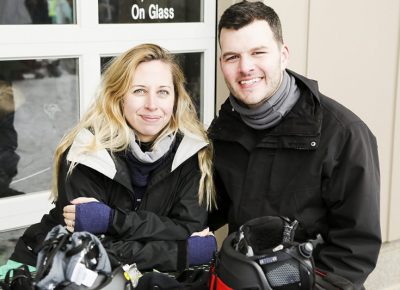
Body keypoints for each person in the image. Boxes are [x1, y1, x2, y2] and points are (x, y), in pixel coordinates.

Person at [1, 43, 216, 278]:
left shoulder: (190, 153)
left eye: (163, 91)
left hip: (132, 275)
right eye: (139, 91)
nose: (152, 105)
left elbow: (188, 228)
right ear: (118, 96)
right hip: (48, 267)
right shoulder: (86, 152)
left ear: (175, 98)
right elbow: (92, 251)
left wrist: (112, 220)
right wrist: (181, 253)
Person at [208, 1, 381, 289]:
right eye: (232, 57)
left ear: (283, 54)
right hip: (241, 278)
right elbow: (208, 209)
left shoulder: (344, 134)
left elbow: (354, 252)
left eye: (258, 52)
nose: (245, 67)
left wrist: (282, 281)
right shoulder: (226, 128)